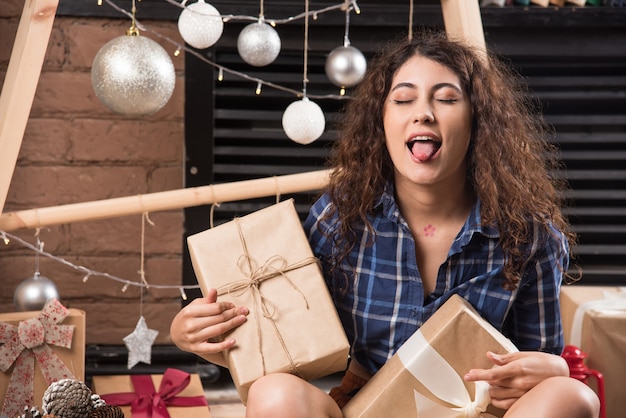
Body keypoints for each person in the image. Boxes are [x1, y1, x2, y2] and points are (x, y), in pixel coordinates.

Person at [170, 29, 600, 418]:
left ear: (478, 121)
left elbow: (538, 362)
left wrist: (555, 366)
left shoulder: (529, 234)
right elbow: (284, 338)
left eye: (447, 98)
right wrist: (197, 334)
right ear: (382, 120)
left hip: (471, 408)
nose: (424, 113)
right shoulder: (341, 216)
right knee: (274, 392)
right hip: (369, 405)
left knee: (574, 396)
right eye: (404, 98)